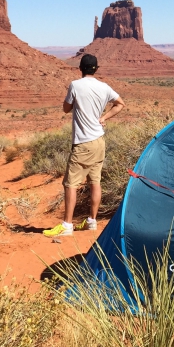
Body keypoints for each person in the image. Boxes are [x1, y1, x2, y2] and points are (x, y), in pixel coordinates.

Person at [43, 53, 124, 236]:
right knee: (95, 182)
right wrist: (104, 117)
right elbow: (120, 104)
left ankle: (67, 226)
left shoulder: (75, 85)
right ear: (96, 69)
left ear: (80, 68)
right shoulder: (104, 87)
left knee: (71, 184)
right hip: (99, 141)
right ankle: (91, 222)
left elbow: (65, 108)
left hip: (83, 143)